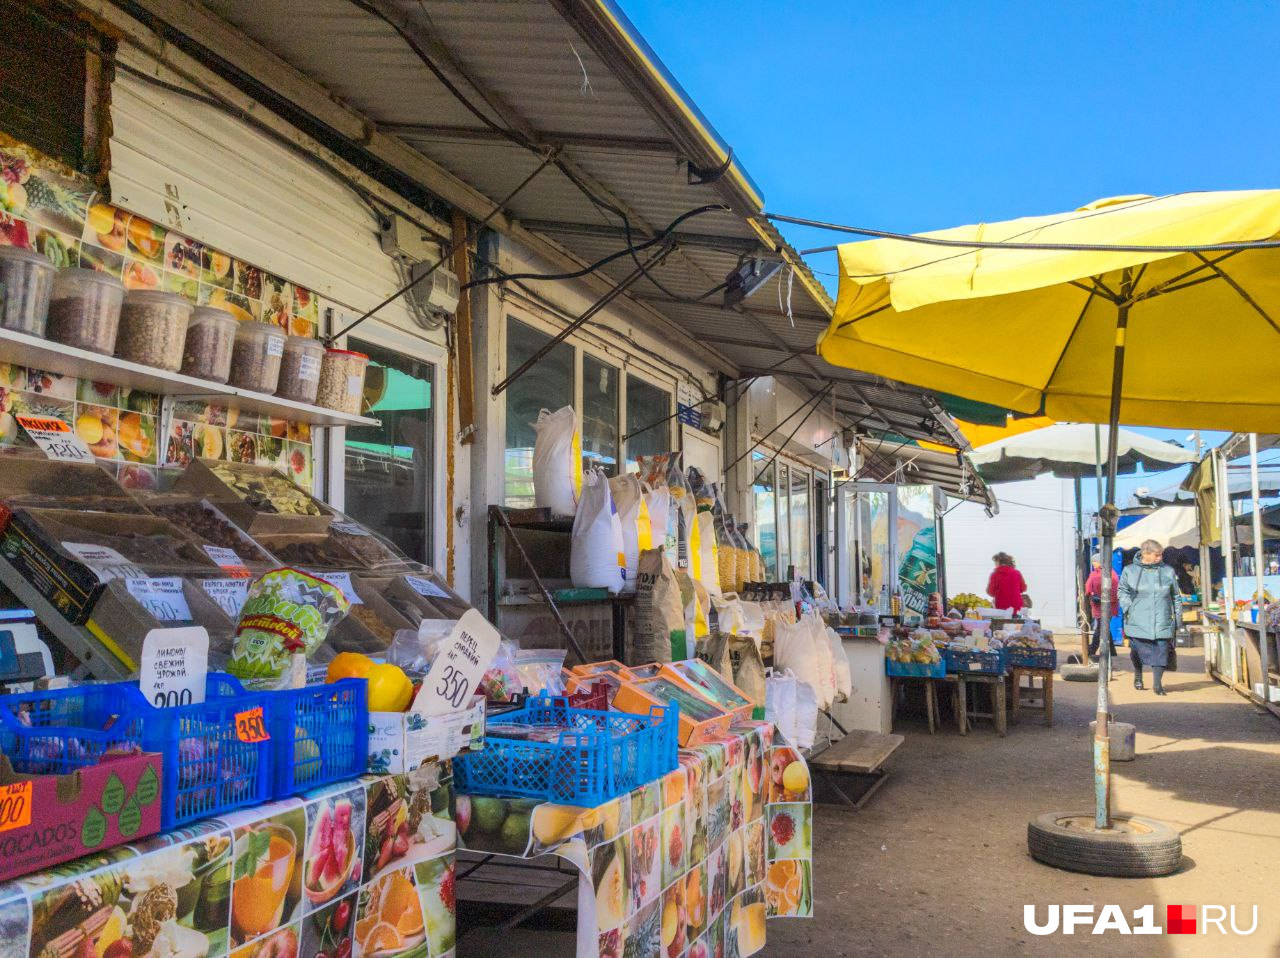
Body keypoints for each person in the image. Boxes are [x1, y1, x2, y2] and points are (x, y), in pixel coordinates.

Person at [1118, 538, 1181, 695]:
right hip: (1137, 618)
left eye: (1161, 555)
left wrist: (1178, 616)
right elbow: (1122, 591)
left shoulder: (1168, 571)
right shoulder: (1129, 571)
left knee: (1161, 650)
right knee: (1136, 650)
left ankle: (1157, 685)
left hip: (1162, 618)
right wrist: (1128, 607)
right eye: (1157, 555)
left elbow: (1176, 596)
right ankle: (1138, 675)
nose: (1160, 558)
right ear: (1145, 554)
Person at [1085, 553, 1120, 661]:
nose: (1093, 563)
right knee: (1103, 627)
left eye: (1095, 561)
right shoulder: (1094, 573)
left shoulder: (1111, 574)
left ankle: (1092, 649)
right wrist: (1090, 594)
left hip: (1107, 606)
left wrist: (1104, 600)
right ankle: (1112, 651)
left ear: (1100, 562)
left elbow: (1114, 591)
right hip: (1096, 605)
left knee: (1100, 628)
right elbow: (1088, 587)